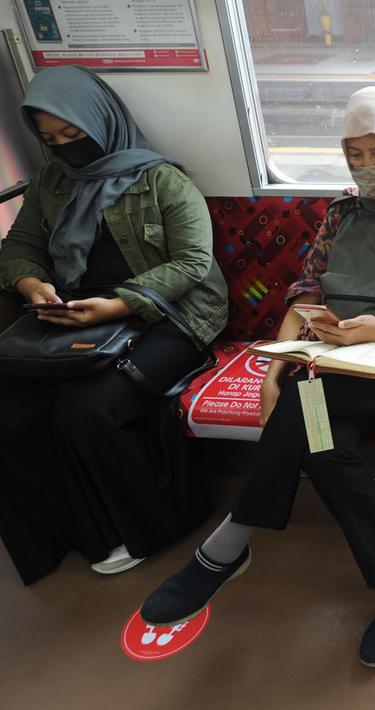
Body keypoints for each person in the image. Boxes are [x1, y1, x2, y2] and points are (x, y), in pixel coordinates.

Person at [139, 86, 375, 668]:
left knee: (310, 408)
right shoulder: (344, 207)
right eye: (355, 154)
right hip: (340, 352)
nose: (367, 167)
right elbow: (309, 291)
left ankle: (228, 546)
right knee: (326, 448)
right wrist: (276, 368)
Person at [0, 66, 226, 585]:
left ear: (102, 123)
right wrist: (33, 287)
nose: (67, 149)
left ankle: (150, 526)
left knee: (88, 409)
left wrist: (119, 304)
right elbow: (21, 247)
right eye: (52, 139)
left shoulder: (164, 180)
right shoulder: (51, 182)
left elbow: (192, 264)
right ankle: (59, 530)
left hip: (171, 316)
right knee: (11, 403)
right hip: (78, 312)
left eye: (75, 135)